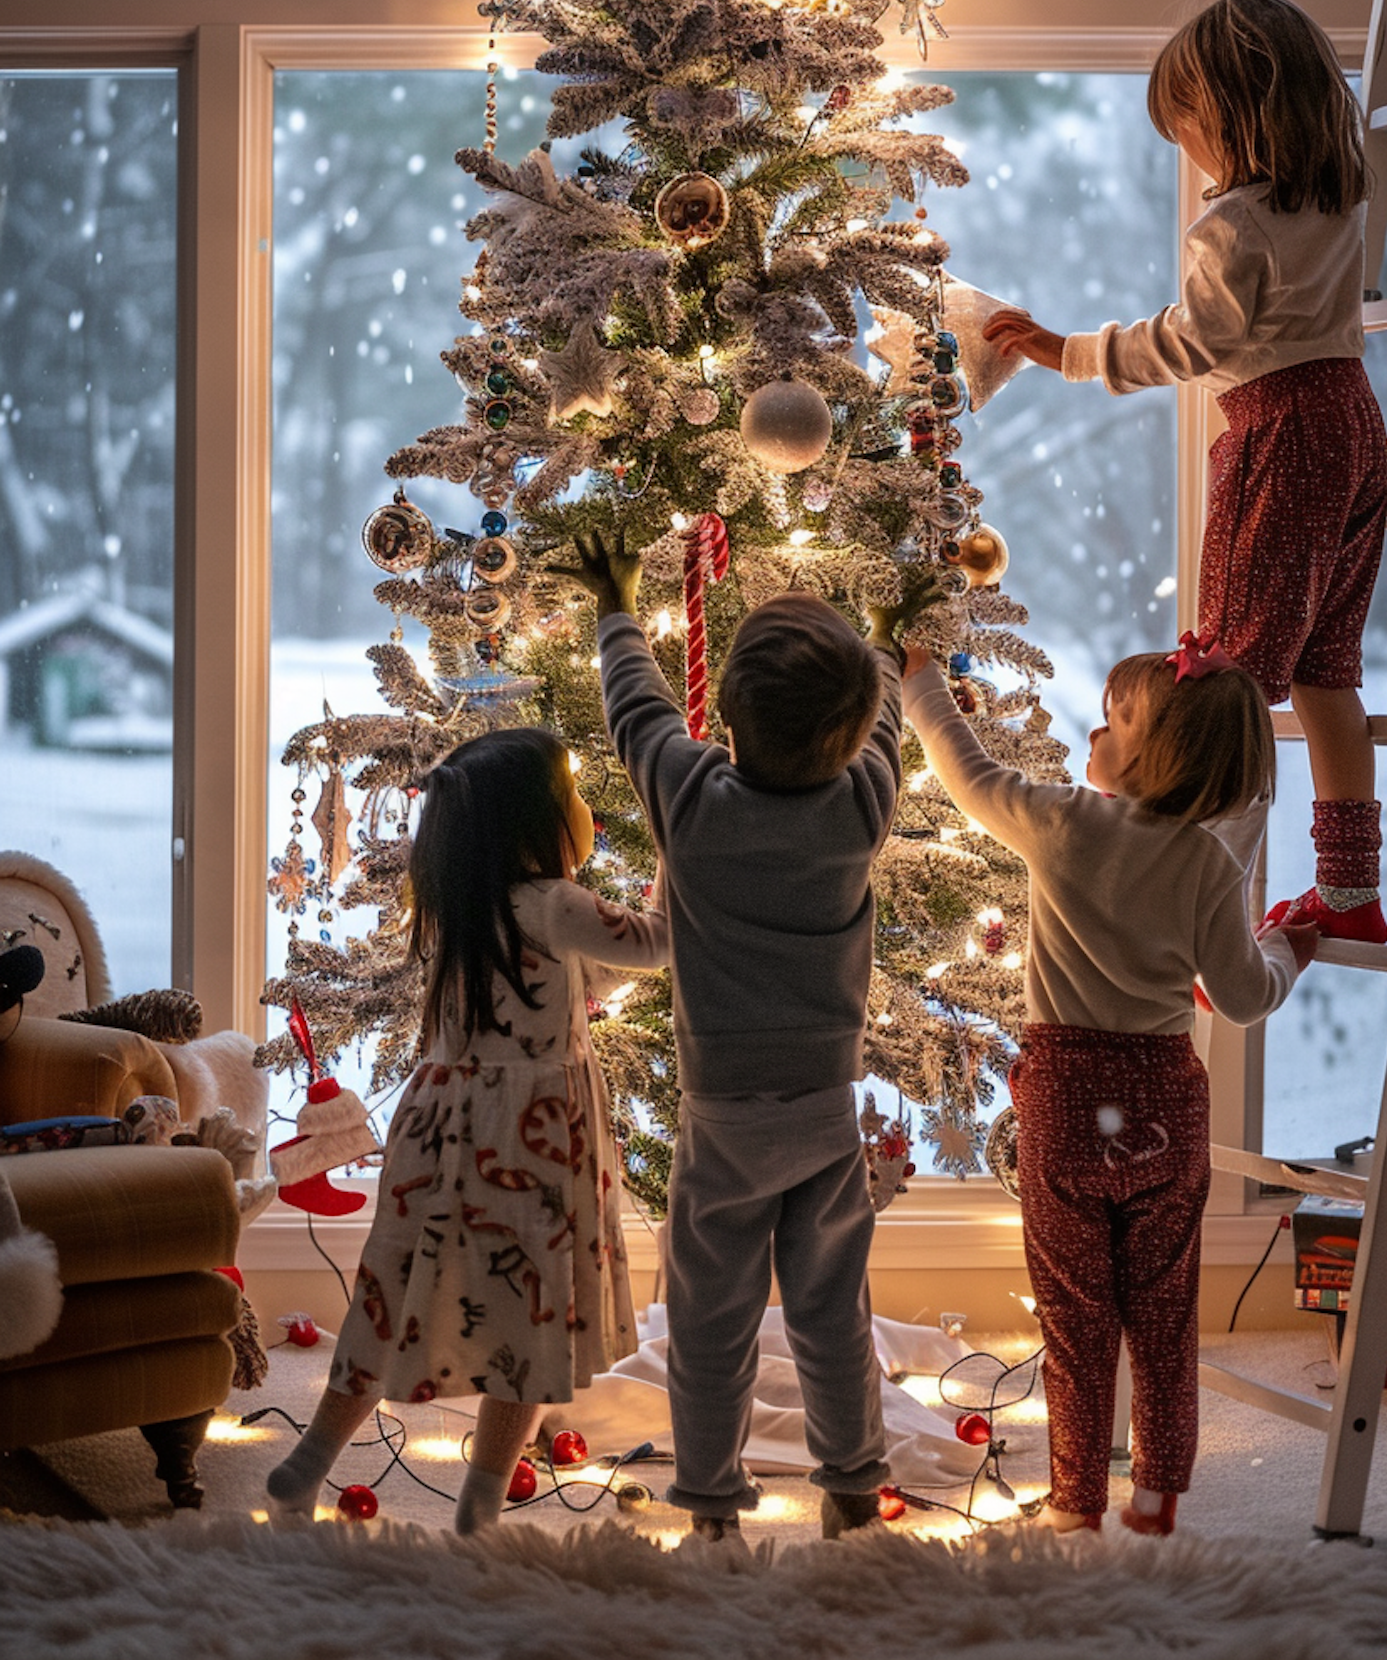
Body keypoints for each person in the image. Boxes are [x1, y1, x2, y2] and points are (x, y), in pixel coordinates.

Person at [983, 0, 1387, 944]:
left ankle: (1198, 910)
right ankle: (1348, 890)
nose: (1189, 150)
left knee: (1225, 683)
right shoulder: (1337, 197)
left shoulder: (1235, 227)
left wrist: (1067, 351)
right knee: (1327, 671)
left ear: (1241, 113)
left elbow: (1192, 342)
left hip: (1281, 435)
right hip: (1354, 427)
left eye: (1190, 126)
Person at [903, 631, 1319, 1536]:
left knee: (1075, 1315)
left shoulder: (1059, 822)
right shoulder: (1212, 866)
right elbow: (1245, 998)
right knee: (1164, 1311)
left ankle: (1075, 1501)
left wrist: (922, 679)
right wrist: (1293, 944)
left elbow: (964, 769)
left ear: (1155, 752)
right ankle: (1161, 1491)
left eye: (1114, 721)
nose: (1094, 732)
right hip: (1165, 1102)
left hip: (1065, 1102)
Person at [558, 529, 913, 1545]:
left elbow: (637, 713)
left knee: (710, 1324)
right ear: (845, 737)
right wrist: (884, 650)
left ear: (728, 721)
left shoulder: (694, 802)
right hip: (823, 1113)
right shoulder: (859, 810)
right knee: (831, 1313)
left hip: (723, 1121)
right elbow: (883, 733)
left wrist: (618, 605)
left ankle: (712, 1506)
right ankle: (851, 1481)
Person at [265, 727, 666, 1536]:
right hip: (532, 1139)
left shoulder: (461, 904)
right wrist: (677, 845)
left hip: (441, 1126)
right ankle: (478, 1508)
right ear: (533, 827)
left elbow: (601, 969)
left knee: (393, 1299)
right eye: (576, 799)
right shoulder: (558, 905)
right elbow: (657, 944)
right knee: (527, 1325)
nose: (587, 812)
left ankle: (305, 1463)